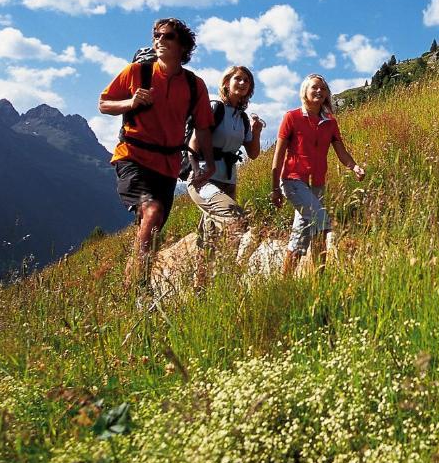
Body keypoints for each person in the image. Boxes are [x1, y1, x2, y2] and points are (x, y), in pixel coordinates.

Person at [98, 17, 215, 296]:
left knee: (152, 228)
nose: (159, 40)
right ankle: (138, 290)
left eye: (168, 36)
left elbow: (203, 126)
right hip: (133, 157)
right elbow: (103, 103)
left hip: (167, 166)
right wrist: (131, 102)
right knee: (152, 212)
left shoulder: (194, 85)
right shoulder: (137, 71)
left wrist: (209, 162)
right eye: (156, 35)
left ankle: (130, 286)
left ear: (183, 45)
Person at [270, 73, 365, 276]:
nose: (319, 91)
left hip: (317, 184)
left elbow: (341, 151)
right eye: (314, 87)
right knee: (321, 222)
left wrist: (354, 167)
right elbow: (278, 154)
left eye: (323, 89)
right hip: (293, 180)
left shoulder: (330, 122)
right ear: (305, 91)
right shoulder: (292, 117)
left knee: (300, 235)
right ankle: (320, 279)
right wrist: (274, 187)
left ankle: (286, 280)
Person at [187, 65, 265, 288]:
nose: (242, 83)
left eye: (247, 81)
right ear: (227, 83)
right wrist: (198, 172)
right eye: (238, 79)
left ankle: (200, 289)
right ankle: (226, 276)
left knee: (209, 238)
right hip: (205, 179)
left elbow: (254, 153)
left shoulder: (242, 119)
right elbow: (193, 143)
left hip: (229, 181)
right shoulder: (214, 107)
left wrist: (256, 132)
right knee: (236, 219)